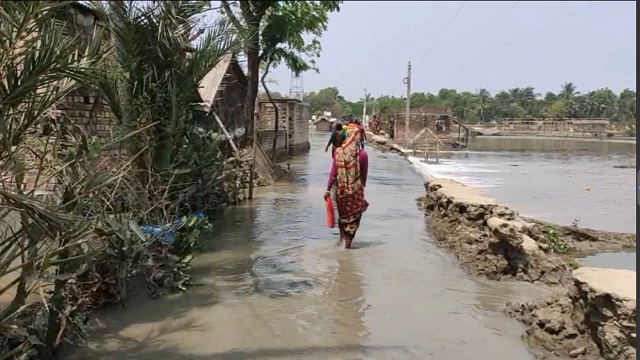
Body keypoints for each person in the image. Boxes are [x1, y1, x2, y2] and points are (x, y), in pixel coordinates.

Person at [324, 124, 369, 249]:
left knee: (342, 216)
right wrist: (360, 189)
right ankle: (348, 241)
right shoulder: (363, 155)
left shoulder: (339, 152)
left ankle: (341, 238)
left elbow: (333, 174)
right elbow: (364, 176)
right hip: (356, 191)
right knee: (354, 215)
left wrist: (328, 190)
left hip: (340, 190)